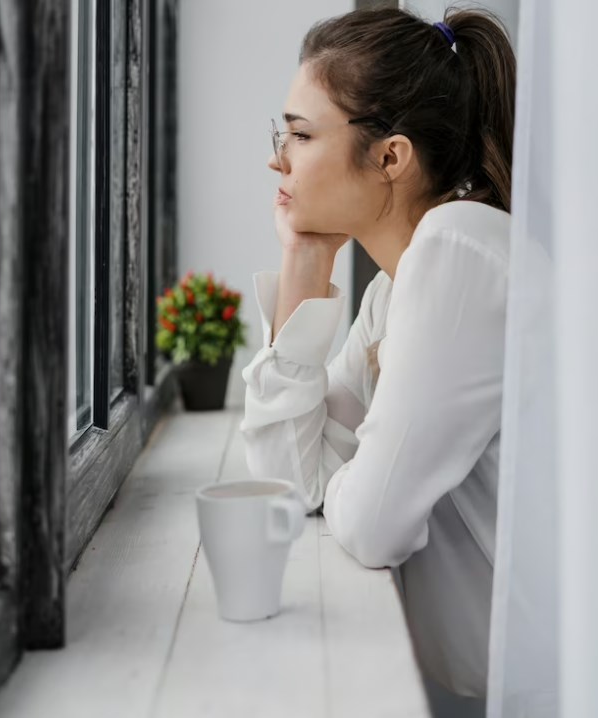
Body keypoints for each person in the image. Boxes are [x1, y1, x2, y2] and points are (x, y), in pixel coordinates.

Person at [240, 8, 515, 716]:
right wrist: (304, 260)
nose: (279, 159)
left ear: (390, 157)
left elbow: (372, 525)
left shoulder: (457, 249)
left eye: (300, 135)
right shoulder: (392, 291)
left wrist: (352, 470)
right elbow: (286, 484)